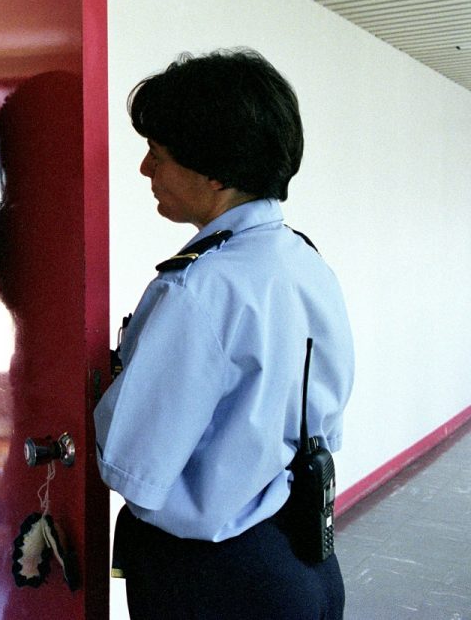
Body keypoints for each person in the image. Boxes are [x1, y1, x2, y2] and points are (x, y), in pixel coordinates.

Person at [94, 48, 355, 618]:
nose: (145, 170)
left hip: (215, 580)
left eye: (155, 154)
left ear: (213, 172)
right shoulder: (303, 260)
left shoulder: (198, 289)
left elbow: (133, 463)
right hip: (305, 558)